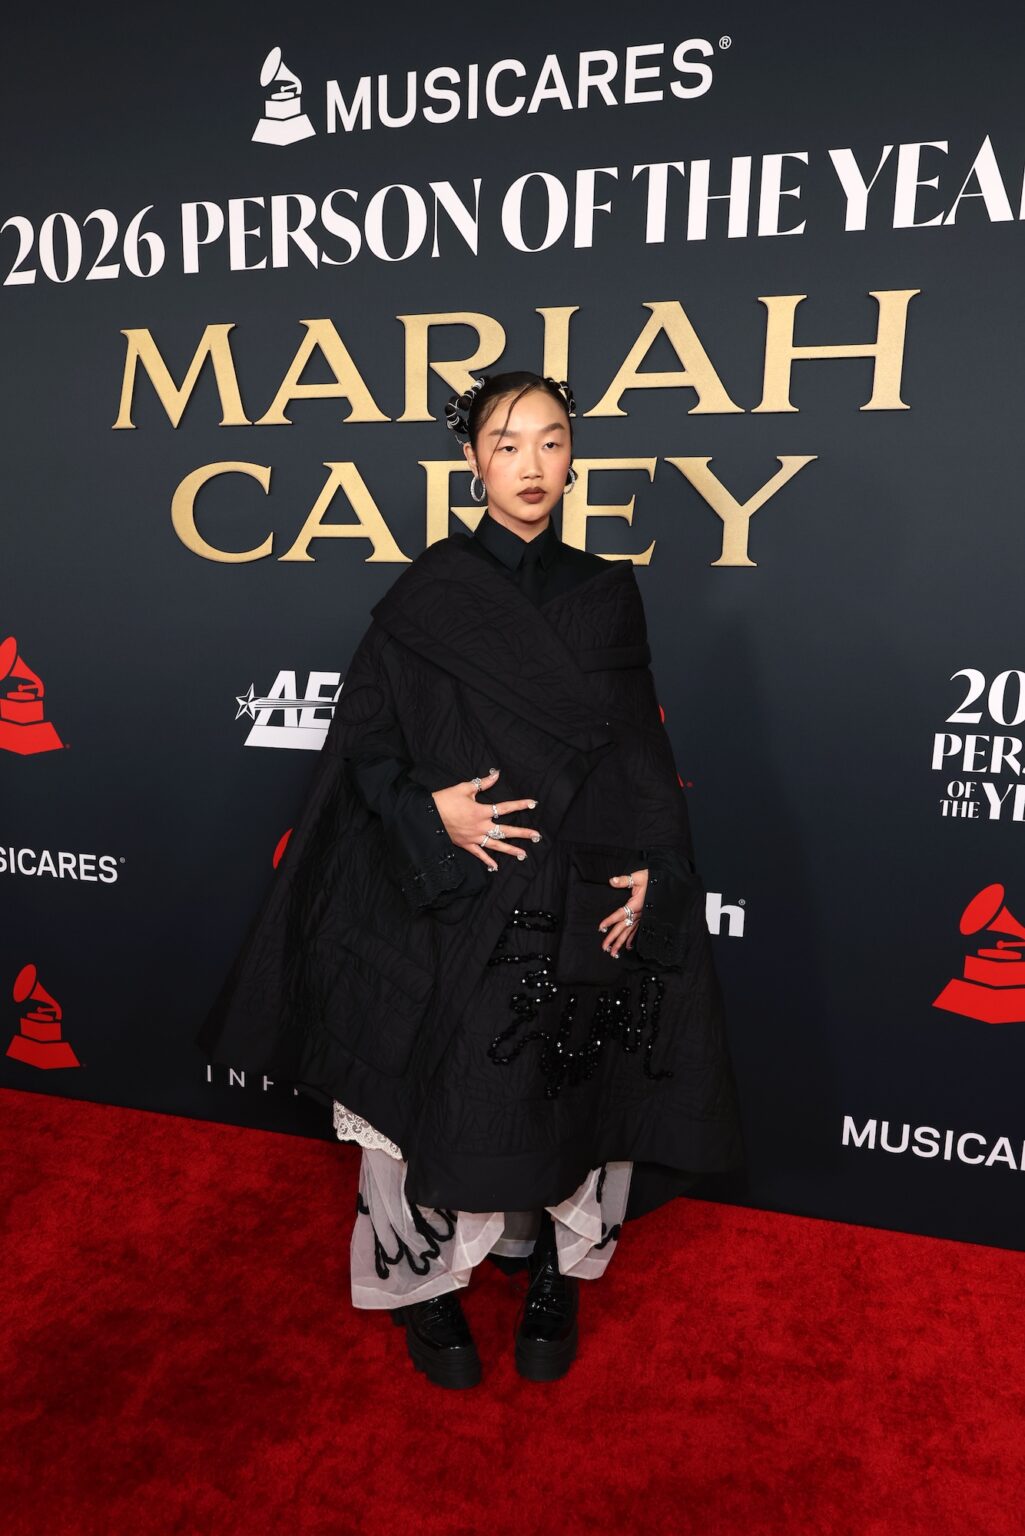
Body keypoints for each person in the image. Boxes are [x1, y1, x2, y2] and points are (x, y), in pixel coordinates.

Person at [197, 370, 743, 1390]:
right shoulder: (427, 595)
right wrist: (430, 811)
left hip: (568, 892)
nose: (530, 466)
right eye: (506, 443)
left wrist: (653, 871)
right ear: (470, 460)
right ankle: (423, 1282)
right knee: (422, 1088)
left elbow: (635, 757)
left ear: (573, 456)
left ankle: (550, 1268)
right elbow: (361, 745)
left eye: (549, 442)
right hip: (444, 887)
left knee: (566, 1082)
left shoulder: (605, 593)